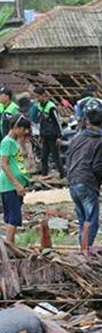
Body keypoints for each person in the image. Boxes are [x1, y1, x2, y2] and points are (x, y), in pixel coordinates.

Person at [66, 99, 102, 251]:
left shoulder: (77, 138)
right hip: (87, 183)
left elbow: (68, 159)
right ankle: (86, 252)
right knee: (91, 221)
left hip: (73, 182)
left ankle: (82, 250)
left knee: (82, 220)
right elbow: (98, 167)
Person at [0, 114, 31, 243]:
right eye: (23, 129)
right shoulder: (7, 142)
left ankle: (11, 247)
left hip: (14, 185)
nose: (25, 132)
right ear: (16, 127)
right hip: (10, 185)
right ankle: (9, 247)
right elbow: (4, 164)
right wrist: (17, 183)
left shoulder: (13, 142)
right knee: (13, 218)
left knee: (12, 218)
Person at [33, 87, 64, 178]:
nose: (37, 99)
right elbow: (40, 121)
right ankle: (44, 174)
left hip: (53, 135)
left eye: (38, 96)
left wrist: (59, 136)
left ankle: (62, 174)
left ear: (43, 95)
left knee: (55, 156)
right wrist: (40, 134)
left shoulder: (51, 107)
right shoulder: (39, 106)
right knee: (44, 156)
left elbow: (58, 121)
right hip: (45, 135)